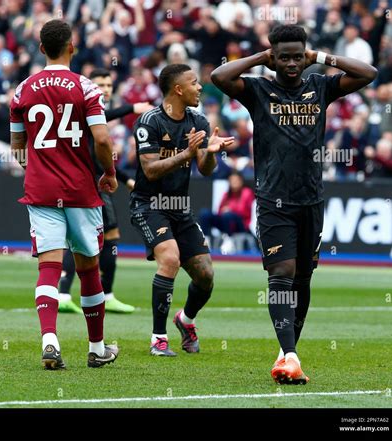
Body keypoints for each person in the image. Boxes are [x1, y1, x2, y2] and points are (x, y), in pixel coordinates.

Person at [211, 24, 377, 384]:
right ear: (273, 58)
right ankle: (289, 355)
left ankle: (288, 352)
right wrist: (260, 59)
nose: (290, 63)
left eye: (297, 56)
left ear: (306, 56)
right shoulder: (258, 90)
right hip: (274, 200)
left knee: (303, 278)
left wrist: (320, 57)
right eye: (283, 57)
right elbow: (218, 75)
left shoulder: (320, 87)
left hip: (312, 199)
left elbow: (369, 73)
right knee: (281, 274)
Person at [10, 20, 119, 370]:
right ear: (72, 47)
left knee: (49, 266)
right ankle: (97, 348)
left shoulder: (22, 89)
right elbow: (101, 139)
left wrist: (39, 168)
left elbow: (18, 147)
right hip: (79, 190)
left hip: (40, 190)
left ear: (41, 48)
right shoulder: (86, 87)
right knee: (89, 268)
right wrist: (109, 172)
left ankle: (50, 340)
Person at [130, 63, 234, 356]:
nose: (200, 87)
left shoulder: (198, 121)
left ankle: (185, 320)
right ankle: (158, 339)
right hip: (148, 204)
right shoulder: (149, 121)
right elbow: (149, 170)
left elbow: (204, 168)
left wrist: (210, 154)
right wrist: (186, 153)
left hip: (179, 208)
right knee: (171, 259)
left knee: (205, 275)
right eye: (194, 83)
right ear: (178, 89)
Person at [58, 67, 153, 314]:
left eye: (110, 86)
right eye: (101, 84)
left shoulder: (79, 110)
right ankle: (104, 294)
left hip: (75, 182)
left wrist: (123, 178)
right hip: (91, 185)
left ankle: (63, 293)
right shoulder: (89, 109)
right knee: (109, 236)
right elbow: (95, 155)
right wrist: (131, 108)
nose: (106, 89)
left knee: (75, 238)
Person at [199, 171, 255, 250]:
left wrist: (230, 209)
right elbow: (219, 211)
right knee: (205, 213)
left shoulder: (247, 192)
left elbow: (244, 212)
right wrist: (224, 211)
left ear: (241, 181)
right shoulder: (227, 194)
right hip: (226, 221)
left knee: (227, 215)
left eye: (235, 180)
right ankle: (206, 240)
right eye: (231, 180)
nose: (233, 183)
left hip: (241, 224)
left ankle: (229, 240)